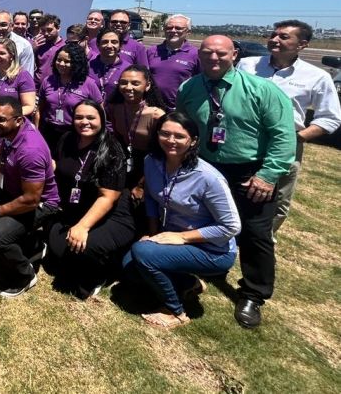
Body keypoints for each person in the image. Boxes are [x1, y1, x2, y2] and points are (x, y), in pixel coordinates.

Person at [176, 35, 295, 328]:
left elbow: (283, 136)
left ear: (235, 55)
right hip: (204, 168)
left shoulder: (262, 90)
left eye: (220, 53)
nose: (213, 59)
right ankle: (204, 269)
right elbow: (183, 127)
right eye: (207, 53)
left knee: (255, 234)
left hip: (249, 172)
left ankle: (254, 293)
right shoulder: (189, 88)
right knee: (202, 224)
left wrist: (268, 175)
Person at [122, 113, 241, 329]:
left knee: (143, 254)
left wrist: (181, 237)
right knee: (130, 267)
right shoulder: (152, 162)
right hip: (172, 237)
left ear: (193, 140)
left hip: (213, 249)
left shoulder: (208, 178)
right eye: (165, 133)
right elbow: (150, 197)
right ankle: (189, 284)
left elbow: (231, 226)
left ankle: (175, 311)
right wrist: (152, 232)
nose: (171, 140)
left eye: (179, 136)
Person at [237, 20, 341, 235]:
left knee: (278, 197)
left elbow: (330, 118)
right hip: (244, 140)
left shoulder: (317, 76)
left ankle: (265, 239)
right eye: (273, 35)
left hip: (287, 143)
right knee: (240, 188)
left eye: (283, 37)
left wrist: (295, 138)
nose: (274, 39)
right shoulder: (247, 65)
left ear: (302, 44)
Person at [0, 97, 59, 297]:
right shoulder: (7, 132)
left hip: (40, 204)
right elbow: (0, 165)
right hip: (15, 193)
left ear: (18, 120)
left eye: (1, 119)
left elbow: (31, 200)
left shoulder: (29, 150)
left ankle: (24, 275)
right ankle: (33, 246)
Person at [46, 100, 135, 299]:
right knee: (60, 250)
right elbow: (56, 165)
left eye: (90, 118)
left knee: (84, 248)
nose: (84, 122)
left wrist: (83, 227)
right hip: (77, 206)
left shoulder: (111, 149)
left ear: (102, 120)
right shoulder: (68, 138)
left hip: (111, 213)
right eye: (79, 117)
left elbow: (107, 197)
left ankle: (99, 275)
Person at [108, 65, 167, 203]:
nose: (128, 87)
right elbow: (118, 139)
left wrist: (141, 185)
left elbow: (161, 154)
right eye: (123, 82)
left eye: (135, 83)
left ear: (147, 86)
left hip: (150, 165)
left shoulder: (156, 115)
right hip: (125, 161)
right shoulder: (114, 108)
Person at [38, 42, 103, 150]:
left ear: (76, 63)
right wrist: (37, 131)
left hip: (75, 132)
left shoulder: (88, 83)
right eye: (59, 60)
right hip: (49, 131)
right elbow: (40, 108)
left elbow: (100, 111)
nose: (61, 64)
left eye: (67, 61)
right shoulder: (48, 81)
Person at [147, 14, 199, 110]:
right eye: (169, 27)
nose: (173, 31)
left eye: (178, 28)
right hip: (152, 107)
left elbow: (201, 83)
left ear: (188, 32)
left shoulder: (196, 54)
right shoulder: (151, 51)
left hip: (179, 110)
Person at [0, 38, 35, 117]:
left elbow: (29, 106)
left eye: (2, 53)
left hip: (13, 124)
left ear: (11, 56)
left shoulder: (22, 76)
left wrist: (8, 115)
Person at [89, 30, 129, 103]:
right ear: (98, 45)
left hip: (117, 112)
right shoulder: (87, 67)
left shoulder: (128, 69)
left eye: (114, 42)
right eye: (105, 42)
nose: (109, 46)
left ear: (120, 45)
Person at [33, 13, 64, 82]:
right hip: (36, 87)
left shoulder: (65, 46)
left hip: (54, 88)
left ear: (58, 28)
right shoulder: (39, 44)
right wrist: (33, 49)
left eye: (49, 30)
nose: (46, 33)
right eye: (43, 30)